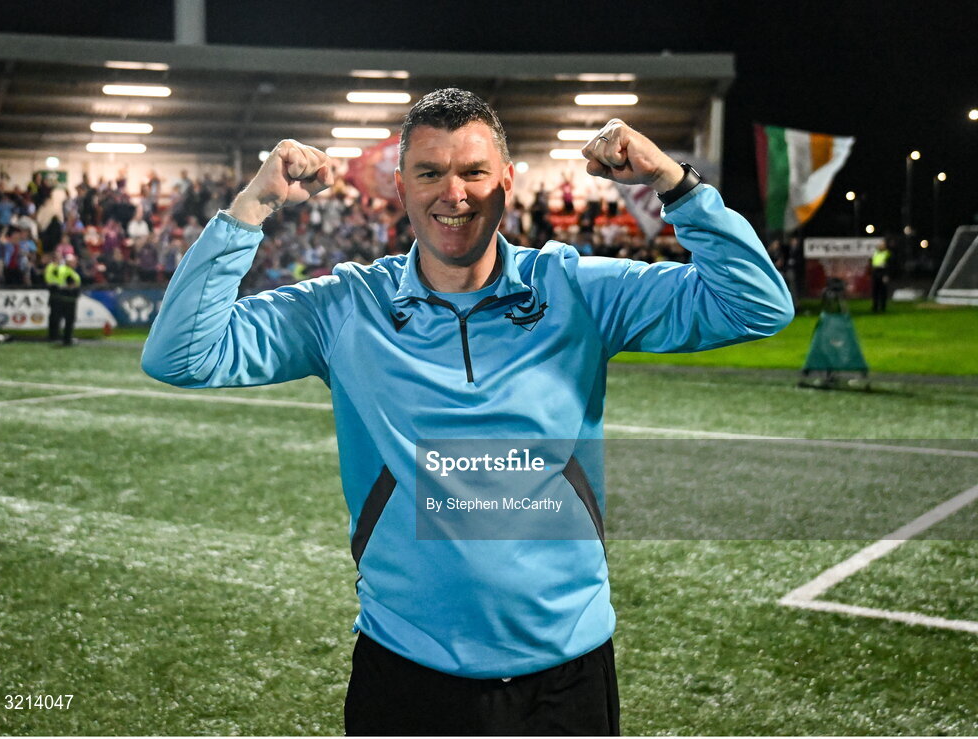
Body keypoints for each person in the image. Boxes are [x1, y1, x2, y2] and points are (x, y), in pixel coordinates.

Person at [142, 88, 793, 735]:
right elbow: (181, 354)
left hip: (566, 676)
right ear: (401, 186)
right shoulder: (346, 307)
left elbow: (757, 305)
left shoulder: (574, 290)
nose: (454, 194)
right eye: (430, 173)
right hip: (406, 671)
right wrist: (251, 207)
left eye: (473, 172)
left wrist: (675, 184)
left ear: (507, 180)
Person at [44, 252, 81, 345]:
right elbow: (70, 284)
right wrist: (73, 288)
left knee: (57, 318)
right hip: (68, 298)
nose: (75, 263)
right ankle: (66, 339)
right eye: (74, 261)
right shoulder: (67, 271)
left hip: (61, 297)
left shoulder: (62, 269)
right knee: (68, 320)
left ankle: (56, 336)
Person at [871, 240, 891, 313]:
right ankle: (875, 307)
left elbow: (890, 265)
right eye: (879, 245)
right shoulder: (875, 253)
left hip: (883, 273)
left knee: (883, 291)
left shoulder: (887, 253)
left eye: (882, 245)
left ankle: (883, 307)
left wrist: (886, 275)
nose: (880, 246)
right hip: (875, 273)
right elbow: (873, 263)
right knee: (875, 291)